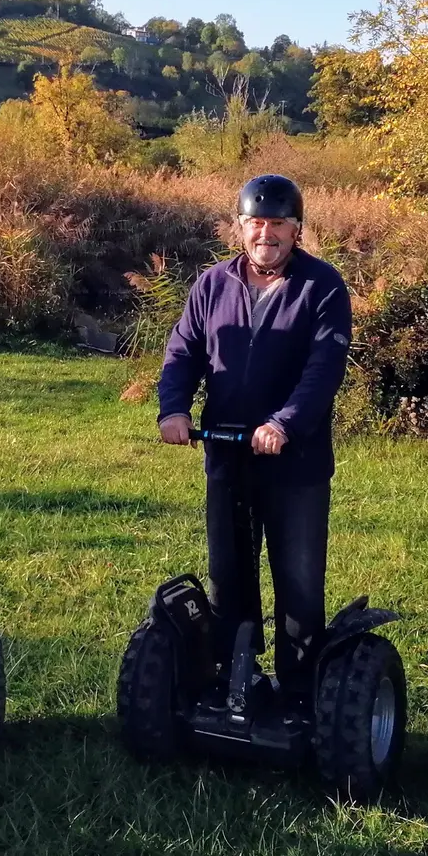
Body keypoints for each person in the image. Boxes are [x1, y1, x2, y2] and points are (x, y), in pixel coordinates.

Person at [157, 174, 353, 707]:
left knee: (299, 582)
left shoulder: (323, 285)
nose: (266, 233)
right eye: (256, 223)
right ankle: (232, 677)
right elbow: (184, 351)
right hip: (226, 451)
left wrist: (285, 423)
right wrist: (173, 408)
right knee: (229, 574)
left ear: (297, 229)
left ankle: (298, 690)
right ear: (240, 227)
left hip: (296, 461)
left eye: (278, 225)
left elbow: (323, 369)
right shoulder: (212, 283)